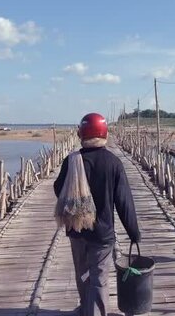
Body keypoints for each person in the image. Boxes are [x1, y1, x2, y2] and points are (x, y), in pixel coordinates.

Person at [54, 112, 141, 316]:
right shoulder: (113, 163)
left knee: (83, 274)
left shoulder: (71, 161)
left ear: (82, 134)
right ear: (104, 133)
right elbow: (124, 201)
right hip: (102, 234)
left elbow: (59, 190)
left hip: (77, 230)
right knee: (99, 278)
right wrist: (134, 233)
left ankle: (86, 307)